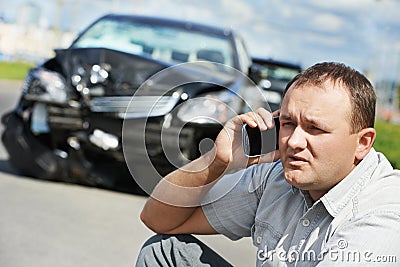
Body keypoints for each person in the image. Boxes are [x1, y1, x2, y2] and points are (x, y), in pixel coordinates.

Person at [136, 62, 400, 266]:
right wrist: (217, 161)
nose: (294, 141)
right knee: (164, 253)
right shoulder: (276, 177)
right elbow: (159, 219)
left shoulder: (384, 214)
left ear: (363, 142)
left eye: (315, 129)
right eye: (288, 124)